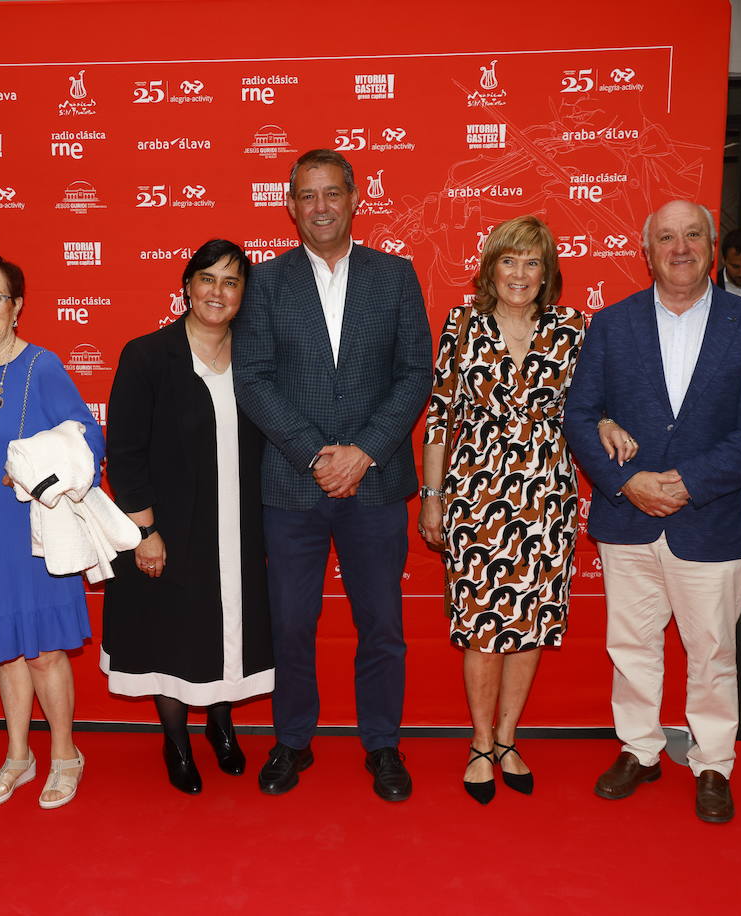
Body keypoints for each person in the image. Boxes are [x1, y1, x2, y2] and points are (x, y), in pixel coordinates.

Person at [564, 200, 741, 824]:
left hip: (711, 521)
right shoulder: (610, 325)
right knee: (631, 646)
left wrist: (686, 483)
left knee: (712, 650)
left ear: (712, 247)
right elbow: (580, 416)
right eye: (667, 237)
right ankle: (640, 749)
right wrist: (627, 481)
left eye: (693, 235)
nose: (680, 248)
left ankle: (713, 762)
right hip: (627, 518)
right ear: (648, 249)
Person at [233, 149, 432, 802]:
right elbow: (253, 379)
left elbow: (414, 376)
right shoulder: (262, 283)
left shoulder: (396, 277)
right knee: (291, 622)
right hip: (293, 488)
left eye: (331, 193)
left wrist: (363, 451)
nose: (319, 206)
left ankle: (382, 745)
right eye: (306, 195)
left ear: (354, 198)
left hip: (374, 485)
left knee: (381, 623)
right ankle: (292, 739)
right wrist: (318, 455)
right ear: (290, 206)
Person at [418, 216, 636, 804]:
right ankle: (480, 742)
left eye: (532, 263)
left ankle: (510, 737)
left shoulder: (572, 328)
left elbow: (591, 404)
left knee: (531, 623)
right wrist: (433, 497)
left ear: (548, 274)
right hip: (476, 494)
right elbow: (440, 415)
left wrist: (609, 419)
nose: (519, 274)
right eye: (508, 261)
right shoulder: (462, 323)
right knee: (482, 629)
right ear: (490, 269)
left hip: (546, 496)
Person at [102, 240, 274, 795]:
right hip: (169, 527)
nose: (217, 292)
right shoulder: (147, 355)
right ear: (187, 287)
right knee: (170, 634)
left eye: (231, 282)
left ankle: (221, 724)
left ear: (243, 295)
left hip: (239, 526)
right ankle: (176, 740)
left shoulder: (256, 358)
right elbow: (124, 452)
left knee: (227, 632)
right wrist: (146, 531)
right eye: (207, 279)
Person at [0, 251, 104, 809]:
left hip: (35, 534)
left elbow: (88, 442)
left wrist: (40, 471)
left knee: (43, 654)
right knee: (3, 652)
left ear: (17, 307)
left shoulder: (42, 367)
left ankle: (65, 755)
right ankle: (18, 756)